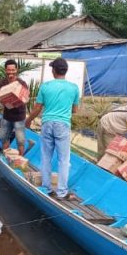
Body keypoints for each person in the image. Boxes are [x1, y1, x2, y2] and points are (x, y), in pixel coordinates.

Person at [26, 58, 80, 200]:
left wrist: (28, 120)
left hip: (47, 123)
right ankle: (62, 192)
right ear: (65, 71)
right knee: (63, 160)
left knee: (46, 156)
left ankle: (47, 188)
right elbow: (75, 110)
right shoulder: (74, 88)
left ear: (54, 71)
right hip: (62, 125)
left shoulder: (45, 86)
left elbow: (37, 108)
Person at [0, 59, 29, 156]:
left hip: (19, 117)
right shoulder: (1, 83)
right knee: (3, 137)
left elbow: (26, 98)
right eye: (9, 70)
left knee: (20, 140)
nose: (11, 72)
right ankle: (7, 157)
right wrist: (5, 99)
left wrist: (20, 99)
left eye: (13, 70)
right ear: (5, 70)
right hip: (7, 116)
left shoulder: (22, 83)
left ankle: (20, 160)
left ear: (16, 70)